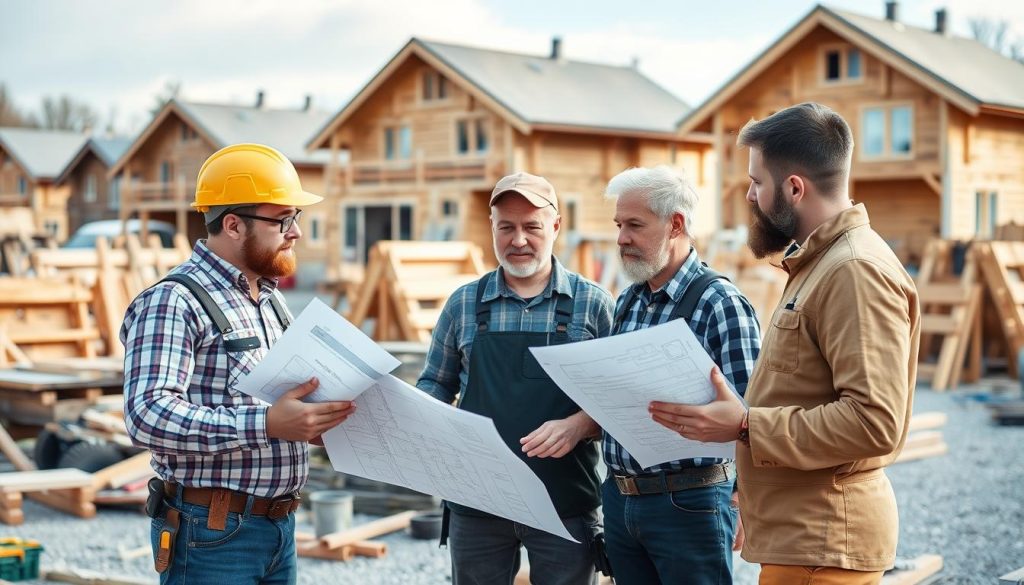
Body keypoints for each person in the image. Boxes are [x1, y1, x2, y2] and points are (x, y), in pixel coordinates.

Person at [650, 103, 921, 585]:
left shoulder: (853, 271)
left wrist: (748, 425)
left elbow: (874, 422)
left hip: (823, 548)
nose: (751, 196)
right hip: (803, 543)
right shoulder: (820, 264)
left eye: (757, 182)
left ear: (794, 188)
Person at [122, 143, 356, 584]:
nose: (296, 233)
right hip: (210, 533)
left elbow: (281, 403)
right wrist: (267, 424)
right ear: (232, 224)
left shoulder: (270, 300)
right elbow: (146, 416)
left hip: (278, 526)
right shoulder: (174, 301)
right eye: (283, 220)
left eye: (296, 218)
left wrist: (316, 422)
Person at [417, 171, 613, 585]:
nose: (518, 240)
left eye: (532, 227)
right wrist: (421, 415)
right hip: (477, 501)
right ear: (492, 228)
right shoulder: (464, 304)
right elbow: (435, 384)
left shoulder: (591, 305)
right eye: (506, 227)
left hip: (565, 504)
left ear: (556, 227)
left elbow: (619, 403)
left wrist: (578, 425)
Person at [601, 165, 761, 585]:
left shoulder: (721, 303)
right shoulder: (629, 302)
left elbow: (754, 412)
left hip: (690, 504)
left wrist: (743, 498)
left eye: (634, 225)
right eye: (619, 225)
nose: (621, 238)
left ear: (675, 224)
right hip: (622, 501)